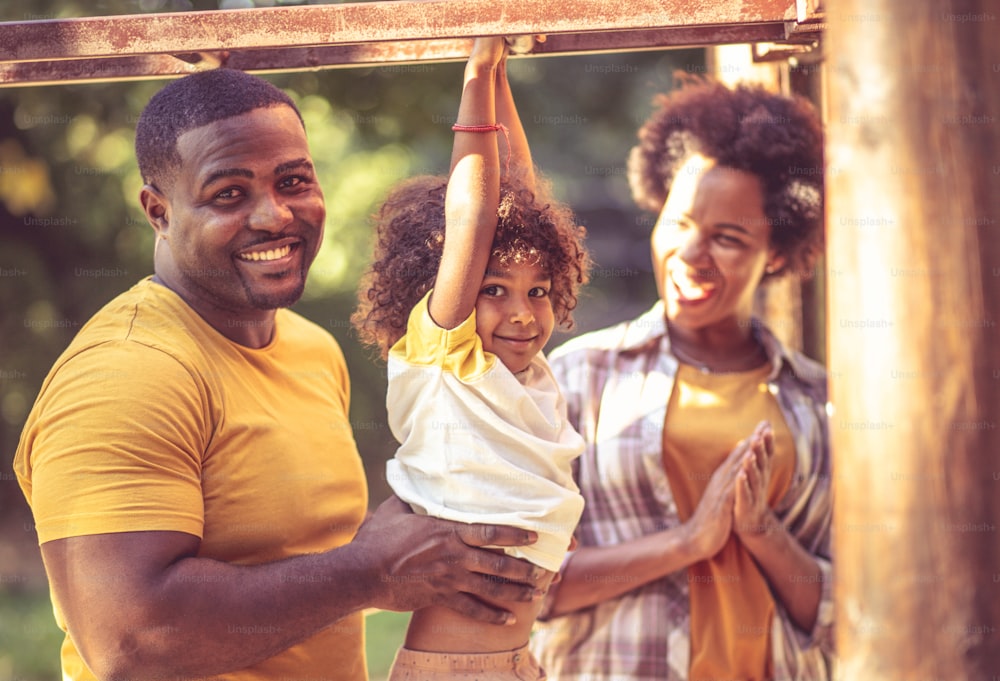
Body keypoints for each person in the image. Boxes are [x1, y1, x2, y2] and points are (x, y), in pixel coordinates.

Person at [12, 67, 553, 681]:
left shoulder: (310, 348)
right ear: (158, 212)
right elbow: (132, 644)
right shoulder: (123, 375)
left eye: (293, 181)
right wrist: (370, 571)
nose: (274, 216)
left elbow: (300, 563)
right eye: (228, 194)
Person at [530, 77, 833, 680]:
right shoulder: (575, 379)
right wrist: (689, 542)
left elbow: (844, 611)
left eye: (728, 237)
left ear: (774, 253)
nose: (691, 253)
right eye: (680, 222)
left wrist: (761, 530)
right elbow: (532, 588)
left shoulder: (823, 404)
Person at [352, 36, 591, 680]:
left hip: (519, 661)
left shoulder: (527, 376)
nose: (522, 313)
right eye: (493, 291)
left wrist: (503, 73)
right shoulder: (446, 354)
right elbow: (476, 214)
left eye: (538, 292)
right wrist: (477, 72)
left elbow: (521, 193)